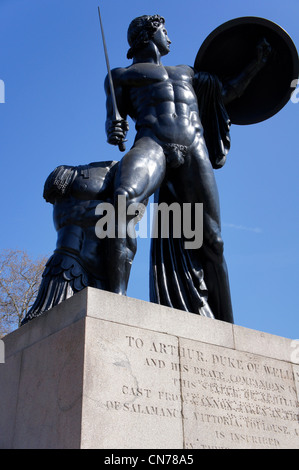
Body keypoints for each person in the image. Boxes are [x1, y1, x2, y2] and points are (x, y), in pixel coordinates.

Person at [104, 15, 271, 322]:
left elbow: (229, 92)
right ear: (147, 35)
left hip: (195, 148)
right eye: (164, 31)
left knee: (214, 241)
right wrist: (115, 128)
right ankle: (115, 302)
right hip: (153, 142)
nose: (170, 38)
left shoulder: (189, 73)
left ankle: (227, 326)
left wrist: (257, 63)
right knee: (123, 201)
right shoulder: (120, 75)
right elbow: (114, 120)